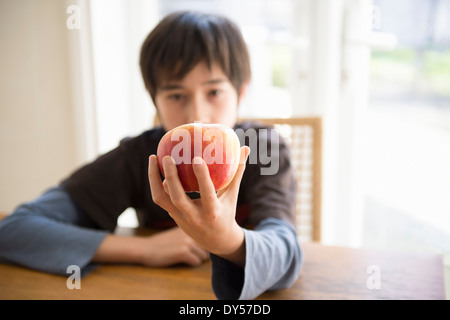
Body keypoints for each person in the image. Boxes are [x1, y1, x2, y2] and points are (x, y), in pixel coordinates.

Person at [0, 11, 302, 300]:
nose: (197, 114)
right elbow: (14, 230)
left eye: (214, 92)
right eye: (176, 95)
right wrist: (145, 250)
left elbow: (285, 251)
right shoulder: (139, 156)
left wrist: (227, 241)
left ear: (242, 91)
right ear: (154, 100)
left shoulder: (263, 149)